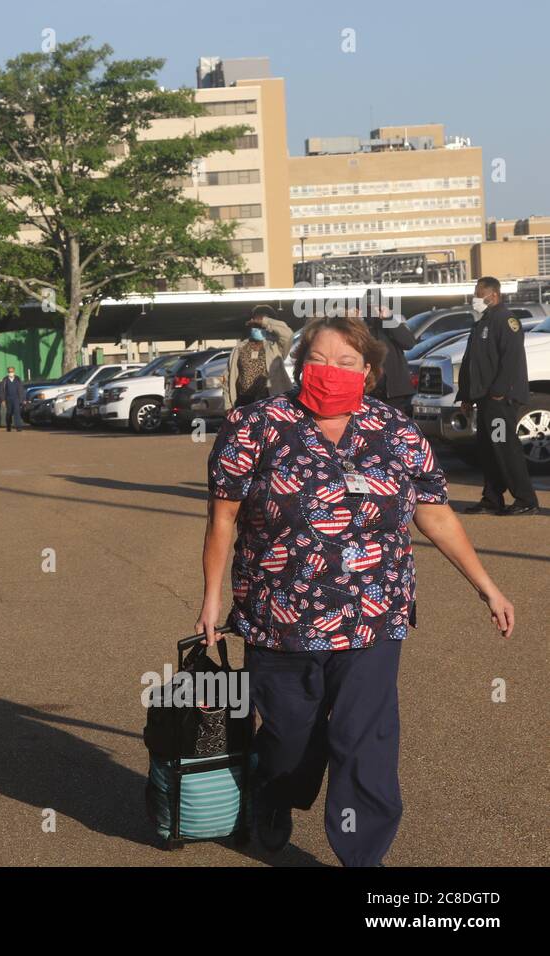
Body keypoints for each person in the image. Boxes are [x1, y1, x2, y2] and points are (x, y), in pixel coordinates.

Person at [199, 314, 514, 867]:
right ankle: (274, 793)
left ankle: (363, 857)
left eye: (346, 362)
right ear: (299, 366)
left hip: (374, 614)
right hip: (281, 616)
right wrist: (211, 597)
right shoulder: (256, 425)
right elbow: (223, 516)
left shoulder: (396, 432)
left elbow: (434, 514)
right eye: (318, 360)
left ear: (368, 371)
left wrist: (486, 586)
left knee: (362, 737)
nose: (331, 371)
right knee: (289, 738)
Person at [458, 276, 539, 516]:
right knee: (488, 449)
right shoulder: (483, 322)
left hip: (499, 401)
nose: (475, 299)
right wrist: (466, 395)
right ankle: (492, 498)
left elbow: (511, 360)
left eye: (478, 294)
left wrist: (498, 392)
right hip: (484, 400)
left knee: (504, 447)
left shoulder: (506, 321)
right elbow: (471, 362)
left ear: (492, 295)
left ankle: (526, 499)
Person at [223, 305, 293, 410]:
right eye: (255, 323)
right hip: (244, 404)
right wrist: (228, 406)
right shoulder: (239, 348)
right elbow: (227, 379)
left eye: (261, 324)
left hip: (271, 404)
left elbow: (288, 334)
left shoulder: (275, 346)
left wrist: (264, 321)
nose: (258, 327)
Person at [363, 301, 417, 415]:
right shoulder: (362, 328)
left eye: (376, 305)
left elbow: (409, 343)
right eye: (369, 306)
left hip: (396, 394)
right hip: (371, 392)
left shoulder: (391, 323)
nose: (374, 310)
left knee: (399, 429)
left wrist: (389, 318)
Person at [2, 365, 26, 431]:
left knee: (17, 412)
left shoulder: (18, 379)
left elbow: (21, 389)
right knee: (9, 413)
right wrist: (3, 400)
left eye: (12, 371)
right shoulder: (5, 380)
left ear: (14, 371)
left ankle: (18, 427)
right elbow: (2, 390)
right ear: (7, 372)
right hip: (8, 398)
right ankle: (8, 426)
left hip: (16, 398)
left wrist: (23, 399)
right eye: (9, 371)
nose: (11, 373)